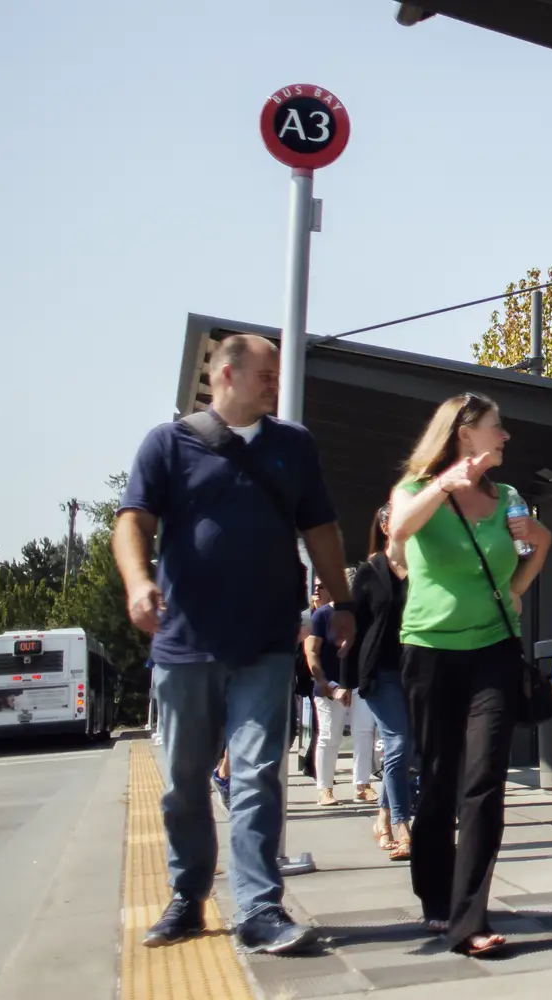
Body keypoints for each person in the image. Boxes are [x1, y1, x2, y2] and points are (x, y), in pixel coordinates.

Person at [113, 333, 355, 954]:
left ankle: (259, 909)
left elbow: (321, 527)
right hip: (185, 642)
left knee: (256, 775)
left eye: (276, 374)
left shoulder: (293, 446)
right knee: (184, 781)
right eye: (266, 374)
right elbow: (133, 520)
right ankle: (188, 896)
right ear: (226, 374)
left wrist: (342, 600)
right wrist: (139, 582)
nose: (275, 383)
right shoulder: (168, 444)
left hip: (266, 641)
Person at [388, 392, 552, 955]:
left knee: (483, 782)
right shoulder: (414, 491)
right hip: (429, 652)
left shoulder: (506, 496)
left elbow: (539, 541)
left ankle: (469, 916)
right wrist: (444, 485)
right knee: (438, 779)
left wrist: (518, 586)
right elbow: (399, 535)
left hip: (495, 652)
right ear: (464, 433)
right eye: (495, 428)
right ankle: (437, 896)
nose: (504, 437)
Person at [348, 504, 415, 862]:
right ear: (387, 527)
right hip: (380, 671)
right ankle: (404, 825)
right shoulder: (369, 571)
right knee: (398, 742)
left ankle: (384, 816)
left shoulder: (422, 568)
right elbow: (353, 627)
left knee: (407, 749)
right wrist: (345, 681)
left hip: (415, 671)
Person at [305, 580, 377, 806]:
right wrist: (326, 683)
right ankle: (324, 788)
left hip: (359, 683)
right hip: (330, 685)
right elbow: (311, 650)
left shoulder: (364, 615)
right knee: (329, 737)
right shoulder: (322, 615)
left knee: (364, 732)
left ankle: (362, 785)